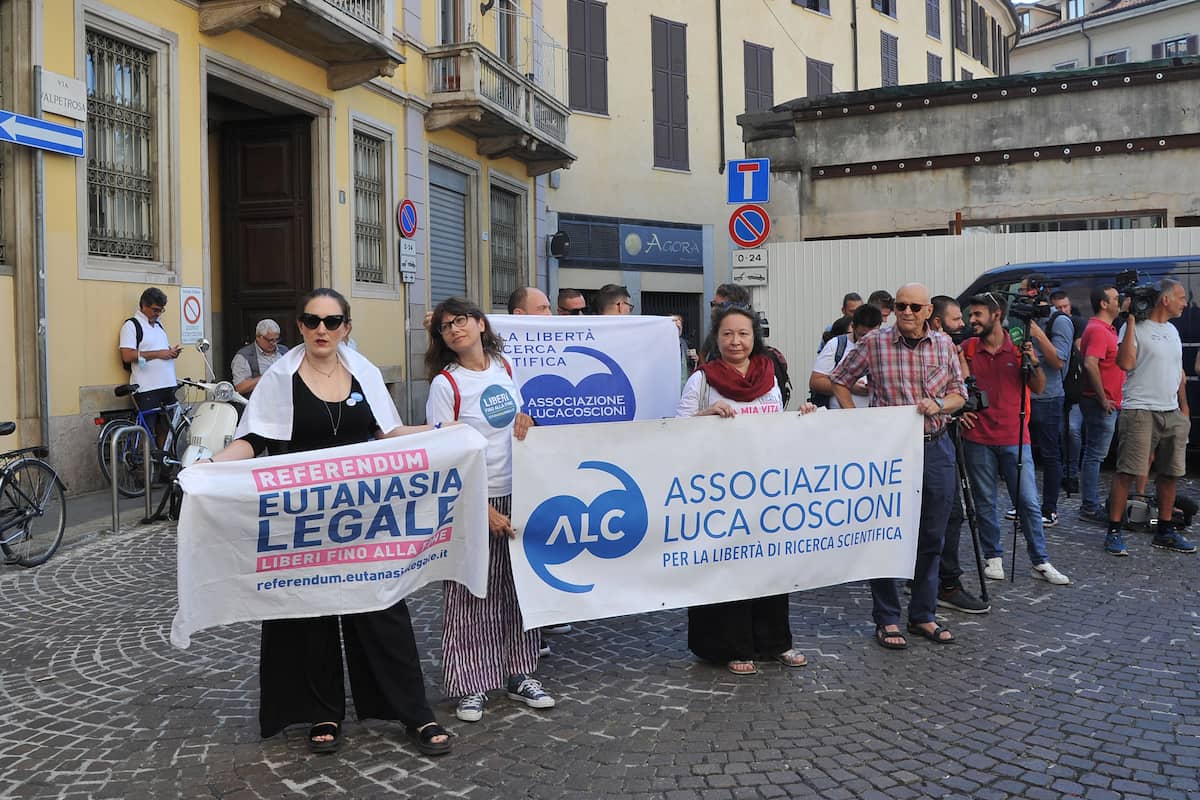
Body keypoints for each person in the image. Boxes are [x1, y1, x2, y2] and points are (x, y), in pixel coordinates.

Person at [197, 288, 451, 757]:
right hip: (303, 521)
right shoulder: (279, 377)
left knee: (382, 610)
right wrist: (209, 464)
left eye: (332, 322)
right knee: (308, 615)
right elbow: (253, 438)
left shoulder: (365, 373)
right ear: (300, 326)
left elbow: (389, 434)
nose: (322, 330)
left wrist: (450, 432)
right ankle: (323, 710)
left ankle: (414, 712)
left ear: (346, 328)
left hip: (365, 519)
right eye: (312, 321)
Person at [424, 297, 554, 723]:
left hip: (517, 492)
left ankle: (520, 672)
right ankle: (470, 684)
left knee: (520, 590)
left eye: (460, 320)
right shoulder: (446, 385)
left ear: (480, 324)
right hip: (473, 499)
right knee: (470, 593)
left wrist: (527, 419)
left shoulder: (504, 366)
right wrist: (480, 509)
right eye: (445, 326)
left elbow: (515, 422)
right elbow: (444, 456)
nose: (454, 329)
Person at [676, 303, 817, 674]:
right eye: (727, 334)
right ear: (716, 338)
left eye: (743, 334)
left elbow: (777, 421)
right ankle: (732, 646)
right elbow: (676, 430)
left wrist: (802, 419)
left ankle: (775, 642)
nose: (735, 341)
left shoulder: (769, 374)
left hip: (765, 487)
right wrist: (705, 416)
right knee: (728, 566)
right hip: (718, 490)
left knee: (770, 562)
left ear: (755, 337)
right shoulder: (702, 380)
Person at [829, 283, 965, 649]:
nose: (905, 311)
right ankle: (887, 618)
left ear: (927, 313)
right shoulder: (875, 342)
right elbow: (838, 380)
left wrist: (939, 404)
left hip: (936, 448)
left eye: (913, 307)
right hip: (890, 454)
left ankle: (923, 614)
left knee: (932, 535)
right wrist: (858, 420)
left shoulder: (944, 345)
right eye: (901, 305)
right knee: (886, 534)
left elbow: (959, 394)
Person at [959, 294, 1070, 587]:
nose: (972, 321)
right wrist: (961, 414)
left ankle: (1040, 560)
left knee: (1029, 502)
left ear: (996, 315)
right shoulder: (967, 349)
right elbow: (955, 388)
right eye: (971, 315)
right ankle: (992, 557)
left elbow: (1038, 386)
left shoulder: (1019, 348)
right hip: (978, 438)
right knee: (985, 501)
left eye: (978, 315)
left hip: (1015, 437)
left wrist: (1032, 364)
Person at [1103, 279, 1195, 556]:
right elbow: (1126, 363)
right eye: (1181, 297)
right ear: (1165, 300)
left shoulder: (1173, 331)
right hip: (1140, 410)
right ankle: (1115, 531)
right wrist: (1130, 319)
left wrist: (1183, 410)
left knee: (1170, 475)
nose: (1185, 302)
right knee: (1127, 472)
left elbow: (1178, 375)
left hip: (1171, 413)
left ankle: (1164, 531)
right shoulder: (1134, 329)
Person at [926, 296, 989, 614]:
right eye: (955, 319)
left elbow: (961, 392)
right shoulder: (936, 350)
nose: (963, 323)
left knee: (948, 514)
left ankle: (931, 577)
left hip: (944, 436)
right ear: (937, 322)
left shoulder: (951, 350)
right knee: (949, 514)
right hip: (930, 441)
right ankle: (945, 583)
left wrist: (958, 404)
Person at [1022, 279, 1073, 528]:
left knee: (1050, 454)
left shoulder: (1059, 321)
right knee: (1023, 454)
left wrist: (1038, 334)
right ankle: (1025, 503)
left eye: (1024, 291)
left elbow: (1059, 362)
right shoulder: (1021, 318)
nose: (1022, 295)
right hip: (1024, 395)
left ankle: (1050, 508)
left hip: (1049, 397)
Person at [1078, 284, 1126, 523]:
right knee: (1095, 455)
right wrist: (1102, 397)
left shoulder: (1107, 328)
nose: (1121, 301)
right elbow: (1090, 363)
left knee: (1095, 454)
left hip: (1107, 402)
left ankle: (1090, 503)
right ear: (1104, 304)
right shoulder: (1098, 330)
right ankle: (1089, 506)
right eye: (1116, 298)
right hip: (1101, 404)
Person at [119, 287, 182, 447]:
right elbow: (127, 355)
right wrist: (159, 354)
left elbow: (158, 352)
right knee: (147, 431)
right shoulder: (132, 325)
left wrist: (171, 353)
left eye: (161, 310)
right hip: (147, 388)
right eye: (155, 310)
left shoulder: (159, 326)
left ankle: (163, 466)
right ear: (143, 306)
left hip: (166, 384)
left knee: (166, 429)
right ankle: (146, 466)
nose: (158, 313)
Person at [809, 303, 882, 409]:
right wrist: (850, 386)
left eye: (873, 335)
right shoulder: (836, 345)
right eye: (862, 335)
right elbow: (816, 382)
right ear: (853, 327)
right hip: (839, 418)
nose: (867, 340)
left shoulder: (887, 347)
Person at [1051, 291, 1086, 494]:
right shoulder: (1052, 325)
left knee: (1072, 430)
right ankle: (1062, 472)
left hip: (1074, 390)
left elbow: (1081, 353)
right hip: (1057, 389)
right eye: (1059, 308)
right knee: (1058, 432)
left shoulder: (1078, 324)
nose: (1064, 311)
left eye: (1066, 307)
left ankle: (1071, 473)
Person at [230, 319, 288, 396]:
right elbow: (240, 387)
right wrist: (267, 376)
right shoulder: (243, 356)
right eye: (270, 340)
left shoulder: (284, 351)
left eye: (276, 339)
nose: (274, 343)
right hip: (259, 403)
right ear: (258, 337)